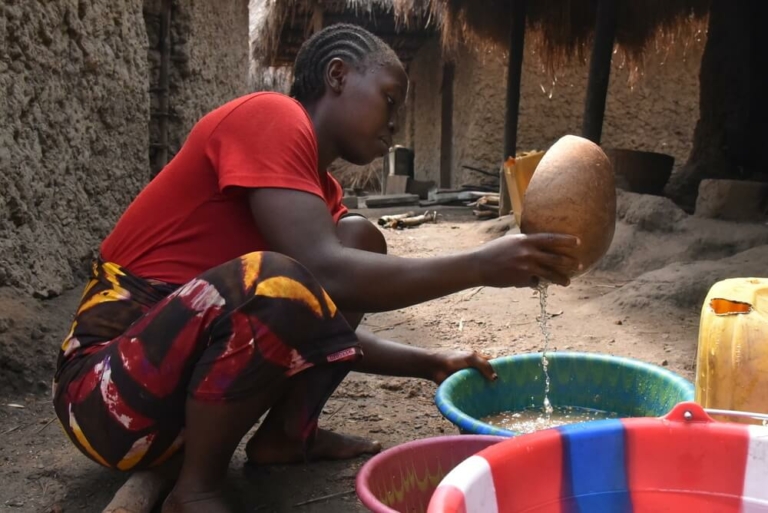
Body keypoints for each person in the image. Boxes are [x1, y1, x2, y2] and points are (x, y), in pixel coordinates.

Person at [52, 23, 580, 513]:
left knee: (359, 239)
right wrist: (481, 264)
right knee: (286, 274)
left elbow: (310, 319)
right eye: (389, 100)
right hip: (105, 400)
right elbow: (316, 279)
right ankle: (198, 490)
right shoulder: (269, 116)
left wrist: (429, 361)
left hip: (168, 407)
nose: (394, 124)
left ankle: (286, 434)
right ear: (337, 75)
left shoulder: (319, 192)